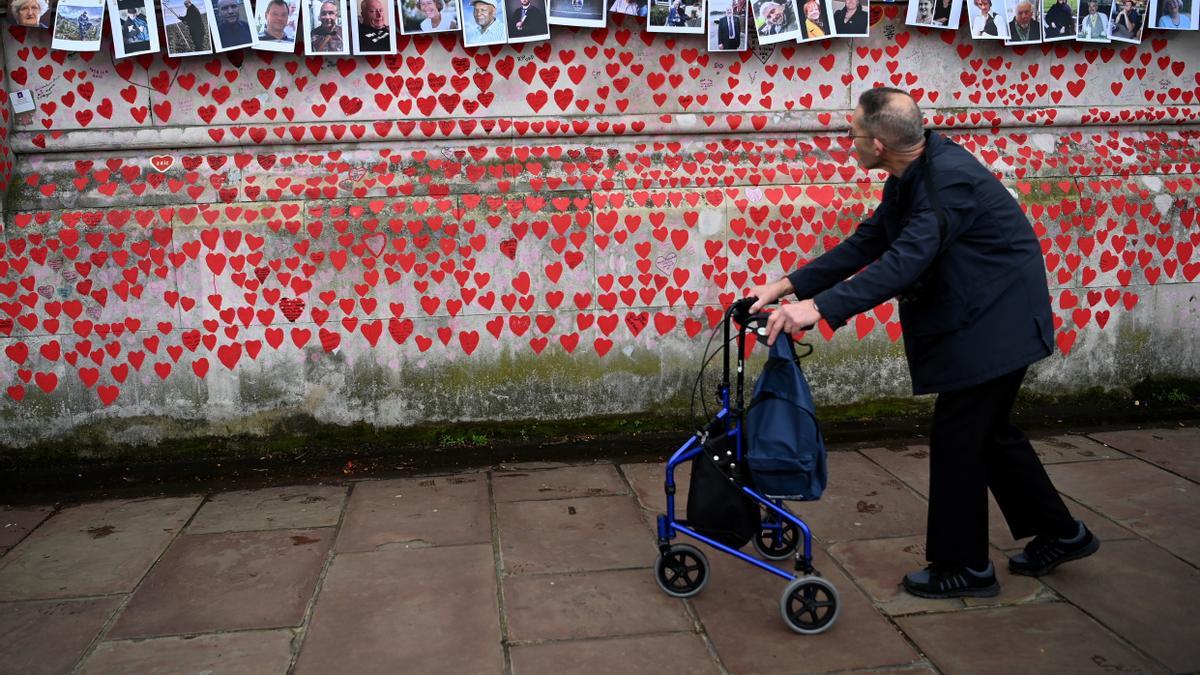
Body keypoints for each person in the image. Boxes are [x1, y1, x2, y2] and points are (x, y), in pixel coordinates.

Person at [747, 87, 1099, 600]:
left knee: (960, 437)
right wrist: (789, 285)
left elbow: (904, 261)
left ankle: (965, 568)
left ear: (881, 143)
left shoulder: (947, 181)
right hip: (989, 313)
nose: (848, 141)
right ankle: (1062, 534)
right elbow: (872, 239)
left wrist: (817, 309)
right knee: (990, 433)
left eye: (853, 133)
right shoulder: (911, 172)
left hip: (999, 321)